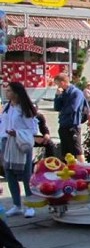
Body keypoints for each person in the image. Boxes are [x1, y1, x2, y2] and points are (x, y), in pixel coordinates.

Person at [1, 82, 38, 218]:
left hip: (21, 143)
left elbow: (33, 129)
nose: (7, 92)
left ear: (16, 93)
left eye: (9, 90)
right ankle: (17, 205)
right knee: (9, 173)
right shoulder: (7, 107)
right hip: (7, 142)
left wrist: (17, 133)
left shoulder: (24, 109)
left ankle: (30, 205)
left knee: (25, 174)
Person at [52, 73, 86, 163]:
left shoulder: (76, 92)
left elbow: (73, 108)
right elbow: (57, 108)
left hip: (73, 124)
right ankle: (68, 170)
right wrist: (57, 96)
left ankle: (84, 169)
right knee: (65, 151)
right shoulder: (63, 93)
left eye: (58, 84)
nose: (57, 86)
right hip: (63, 124)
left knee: (77, 149)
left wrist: (62, 111)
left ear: (63, 83)